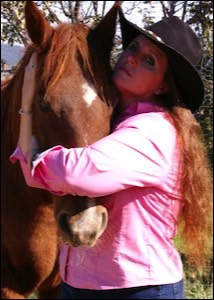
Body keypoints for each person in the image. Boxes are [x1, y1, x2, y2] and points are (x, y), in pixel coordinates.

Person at [10, 6, 212, 300]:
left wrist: (36, 156)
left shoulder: (154, 132)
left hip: (137, 289)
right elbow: (33, 177)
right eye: (132, 47)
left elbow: (77, 172)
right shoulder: (113, 123)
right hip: (80, 282)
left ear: (163, 86)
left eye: (149, 61)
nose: (131, 58)